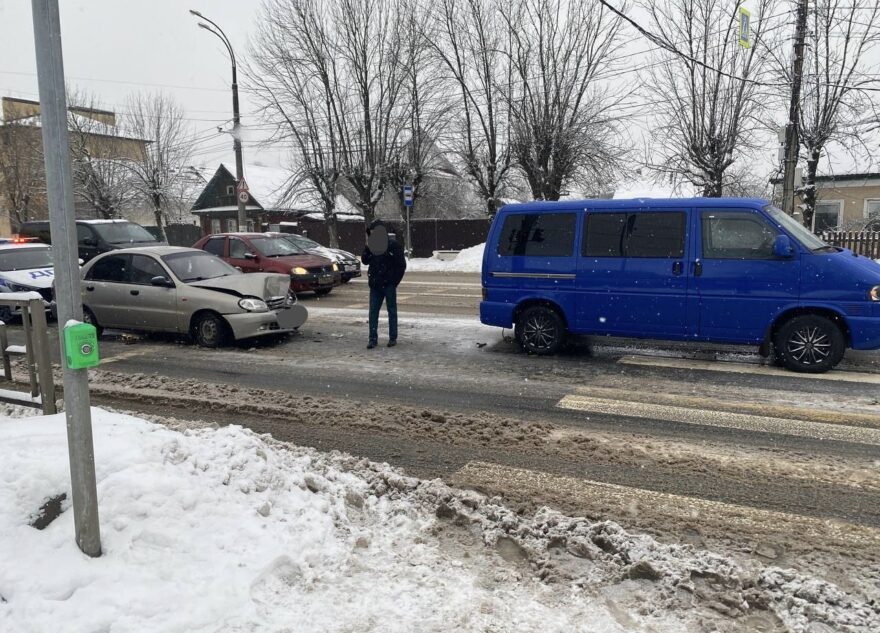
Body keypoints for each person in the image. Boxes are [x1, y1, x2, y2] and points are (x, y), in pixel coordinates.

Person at [361, 220, 406, 348]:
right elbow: (364, 261)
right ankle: (372, 339)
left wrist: (394, 281)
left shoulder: (393, 246)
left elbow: (401, 266)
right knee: (373, 312)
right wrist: (367, 248)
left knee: (391, 311)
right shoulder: (372, 246)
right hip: (375, 285)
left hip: (389, 285)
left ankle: (393, 338)